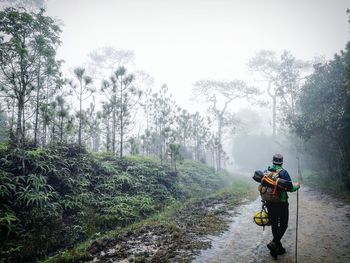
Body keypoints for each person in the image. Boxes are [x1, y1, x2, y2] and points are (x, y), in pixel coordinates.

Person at [265, 153, 300, 259]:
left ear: (273, 161)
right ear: (282, 162)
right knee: (284, 225)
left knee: (275, 225)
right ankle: (274, 243)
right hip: (282, 203)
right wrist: (297, 186)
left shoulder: (267, 172)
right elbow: (289, 188)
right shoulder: (284, 173)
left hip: (269, 203)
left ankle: (278, 249)